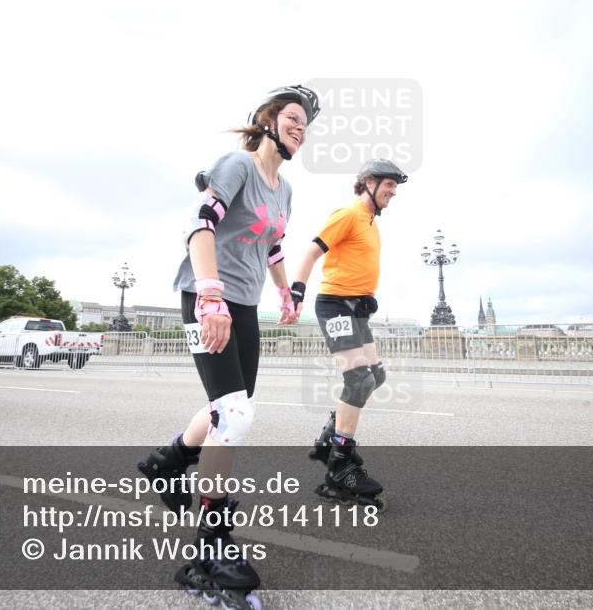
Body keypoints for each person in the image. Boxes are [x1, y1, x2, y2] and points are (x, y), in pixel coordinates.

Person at [138, 85, 318, 609]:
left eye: (305, 123)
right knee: (234, 415)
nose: (299, 127)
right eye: (291, 117)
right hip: (206, 294)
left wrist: (286, 289)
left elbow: (274, 243)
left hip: (244, 304)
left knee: (230, 409)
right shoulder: (237, 165)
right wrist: (210, 297)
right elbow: (200, 227)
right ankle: (209, 549)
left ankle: (167, 461)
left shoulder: (283, 189)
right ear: (267, 120)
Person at [288, 158, 407, 509]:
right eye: (389, 184)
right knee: (358, 381)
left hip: (357, 308)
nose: (393, 192)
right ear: (369, 182)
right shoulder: (349, 214)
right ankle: (340, 464)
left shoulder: (371, 224)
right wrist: (296, 293)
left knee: (376, 376)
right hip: (335, 306)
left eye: (395, 187)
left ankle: (329, 436)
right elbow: (311, 251)